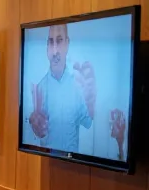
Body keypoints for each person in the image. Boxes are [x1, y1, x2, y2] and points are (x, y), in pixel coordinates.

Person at [27, 23, 127, 159]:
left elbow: (89, 124)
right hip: (47, 164)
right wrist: (33, 128)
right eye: (51, 42)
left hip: (74, 167)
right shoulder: (39, 89)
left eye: (59, 40)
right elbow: (33, 136)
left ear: (67, 44)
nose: (55, 50)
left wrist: (92, 104)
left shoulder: (79, 87)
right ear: (47, 47)